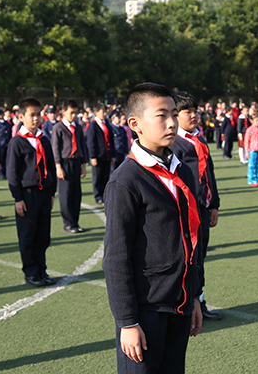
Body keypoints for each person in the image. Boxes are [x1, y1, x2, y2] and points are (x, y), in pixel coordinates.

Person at [102, 82, 203, 374]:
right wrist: (127, 322)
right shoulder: (126, 181)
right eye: (161, 115)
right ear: (135, 124)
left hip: (180, 303)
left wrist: (195, 295)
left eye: (173, 114)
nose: (172, 122)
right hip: (146, 311)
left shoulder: (182, 170)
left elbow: (191, 240)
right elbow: (116, 257)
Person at [170, 91, 221, 321]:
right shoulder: (175, 144)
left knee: (200, 257)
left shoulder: (199, 139)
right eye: (187, 112)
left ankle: (198, 301)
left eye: (195, 111)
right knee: (190, 259)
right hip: (186, 210)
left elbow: (210, 174)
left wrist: (214, 204)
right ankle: (188, 305)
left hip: (202, 208)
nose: (193, 115)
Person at [6, 97, 57, 287]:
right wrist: (18, 198)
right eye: (31, 115)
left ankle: (42, 269)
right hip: (27, 195)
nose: (36, 119)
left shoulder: (44, 139)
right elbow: (12, 172)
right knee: (28, 235)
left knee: (43, 236)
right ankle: (30, 272)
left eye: (38, 115)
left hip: (44, 193)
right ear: (21, 117)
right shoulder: (17, 142)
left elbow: (50, 167)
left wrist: (52, 193)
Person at [51, 99, 88, 234]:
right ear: (63, 112)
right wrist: (58, 166)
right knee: (65, 194)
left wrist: (84, 164)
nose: (74, 115)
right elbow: (55, 148)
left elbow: (82, 145)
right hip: (65, 163)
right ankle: (68, 223)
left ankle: (75, 222)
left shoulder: (78, 127)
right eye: (71, 112)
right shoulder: (58, 128)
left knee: (76, 194)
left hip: (76, 162)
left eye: (76, 113)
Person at [87, 103, 115, 205]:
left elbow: (111, 140)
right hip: (98, 156)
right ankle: (98, 196)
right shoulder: (93, 125)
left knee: (105, 177)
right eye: (102, 112)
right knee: (97, 177)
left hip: (107, 155)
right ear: (96, 112)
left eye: (105, 112)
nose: (105, 114)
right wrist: (93, 156)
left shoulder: (107, 124)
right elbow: (91, 142)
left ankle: (105, 195)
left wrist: (113, 155)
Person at [244, 115, 258, 187]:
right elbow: (246, 140)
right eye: (256, 120)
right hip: (252, 149)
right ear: (252, 121)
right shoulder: (249, 129)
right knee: (252, 165)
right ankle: (251, 180)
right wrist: (246, 150)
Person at [0, 108, 13, 179]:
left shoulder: (6, 123)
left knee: (7, 159)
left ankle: (6, 172)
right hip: (0, 144)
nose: (2, 115)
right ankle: (0, 173)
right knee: (0, 159)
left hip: (7, 143)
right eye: (0, 114)